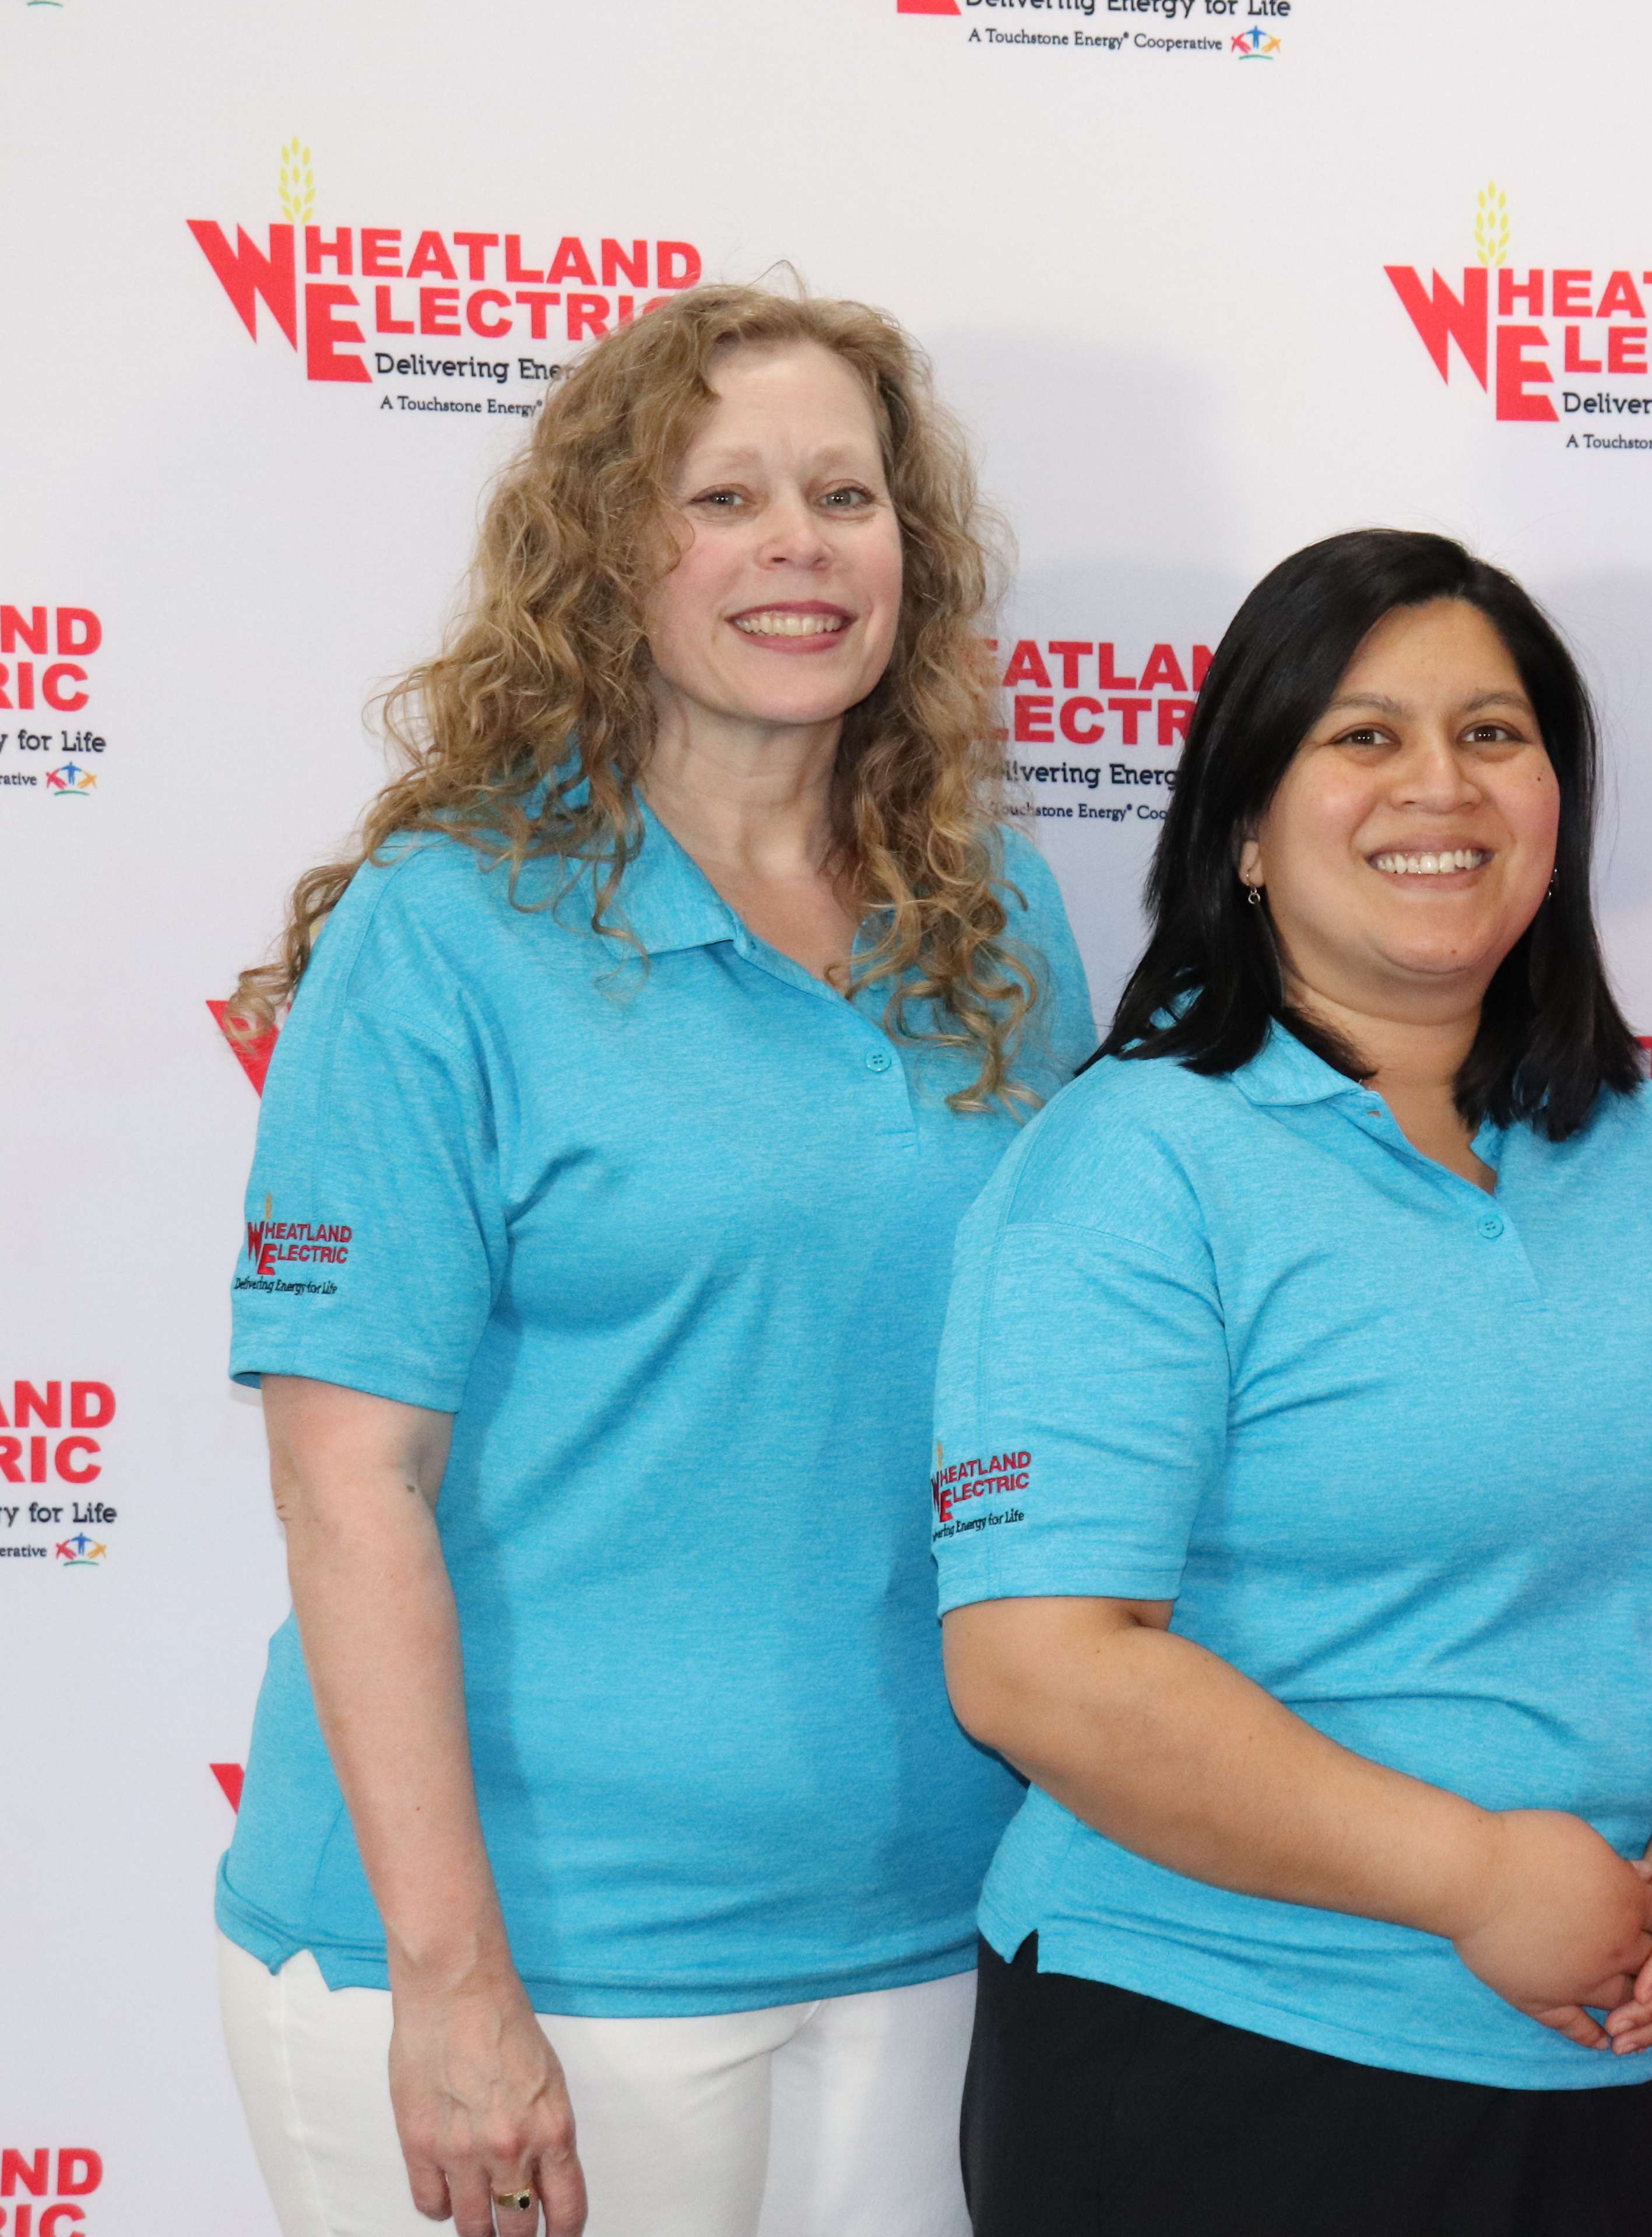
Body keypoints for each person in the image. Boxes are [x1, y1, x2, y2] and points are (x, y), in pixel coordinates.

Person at [215, 284, 1093, 2237]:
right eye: (727, 496)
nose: (800, 544)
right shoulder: (450, 932)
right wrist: (453, 1988)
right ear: (613, 556)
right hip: (538, 1954)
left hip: (927, 1923)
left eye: (847, 495)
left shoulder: (999, 919)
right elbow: (347, 1477)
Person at [932, 529, 1652, 2236]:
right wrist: (1468, 1876)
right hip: (1215, 2053)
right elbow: (1037, 1669)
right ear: (1242, 826)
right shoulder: (1139, 1161)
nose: (1436, 786)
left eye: (1493, 733)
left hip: (1599, 2062)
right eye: (1363, 737)